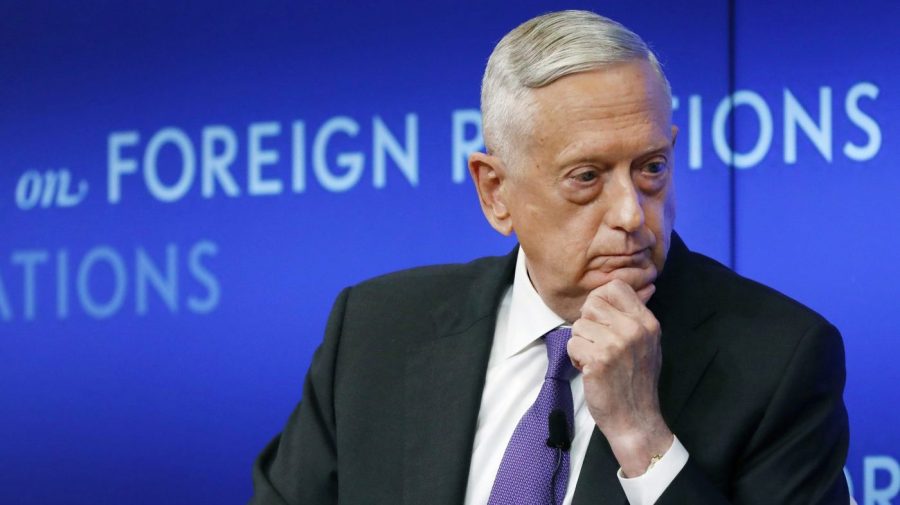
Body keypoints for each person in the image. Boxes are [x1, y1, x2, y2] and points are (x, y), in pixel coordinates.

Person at [249, 10, 849, 505]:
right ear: (495, 192)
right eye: (587, 177)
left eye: (651, 168)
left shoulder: (780, 362)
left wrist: (644, 440)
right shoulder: (375, 331)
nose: (631, 214)